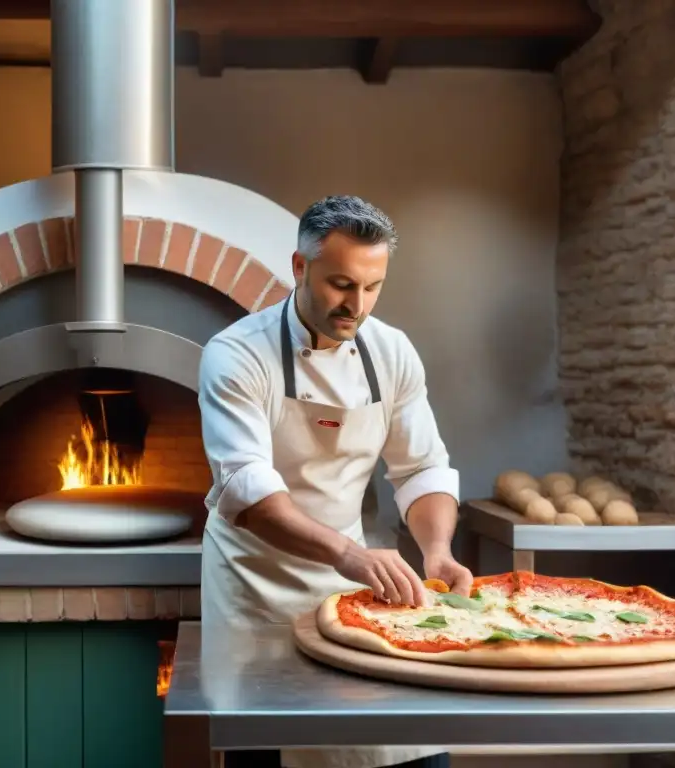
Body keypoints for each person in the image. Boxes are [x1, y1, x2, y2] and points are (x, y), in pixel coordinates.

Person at [198, 195, 473, 768]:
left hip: (354, 587)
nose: (357, 305)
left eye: (373, 287)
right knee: (269, 751)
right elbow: (247, 492)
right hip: (257, 590)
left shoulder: (392, 352)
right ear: (299, 268)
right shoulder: (235, 356)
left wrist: (437, 551)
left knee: (408, 746)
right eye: (342, 284)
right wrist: (347, 553)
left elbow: (421, 467)